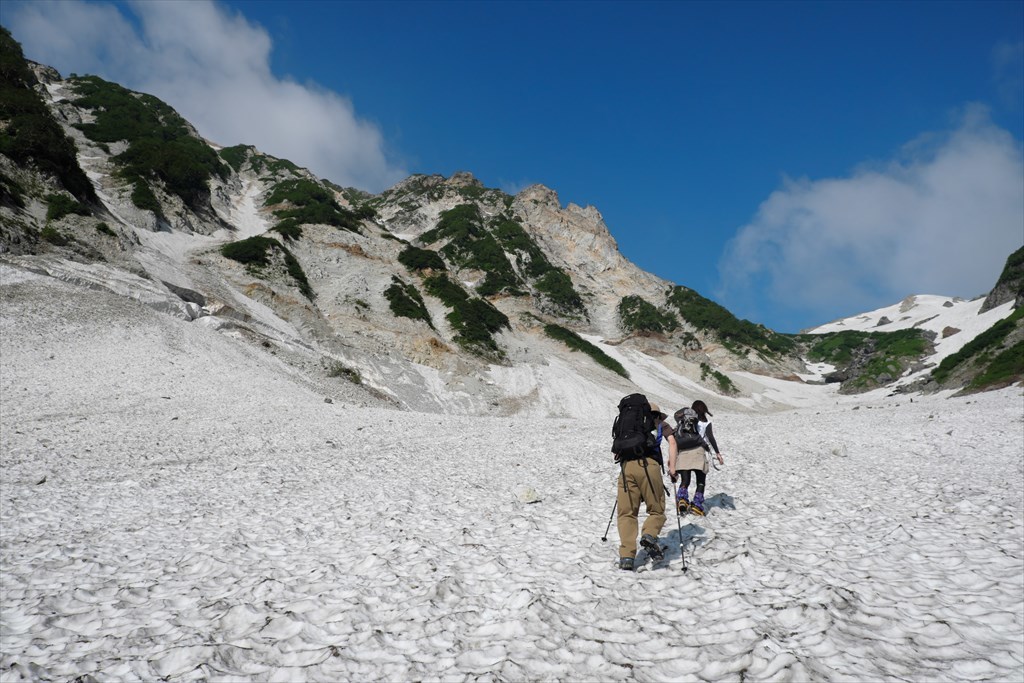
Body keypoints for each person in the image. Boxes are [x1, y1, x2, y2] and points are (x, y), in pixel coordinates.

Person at [615, 403, 667, 571]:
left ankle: (627, 557)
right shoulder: (658, 425)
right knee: (656, 510)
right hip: (649, 467)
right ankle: (649, 534)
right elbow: (672, 442)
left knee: (626, 513)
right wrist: (673, 469)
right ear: (656, 415)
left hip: (626, 469)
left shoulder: (626, 428)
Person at [669, 400, 725, 515]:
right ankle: (696, 505)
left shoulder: (685, 420)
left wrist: (672, 457)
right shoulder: (706, 422)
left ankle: (682, 500)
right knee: (700, 481)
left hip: (683, 451)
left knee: (685, 480)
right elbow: (710, 437)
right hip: (699, 451)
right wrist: (717, 453)